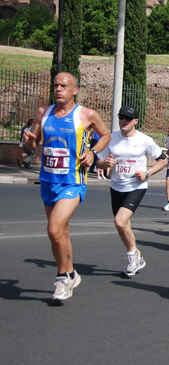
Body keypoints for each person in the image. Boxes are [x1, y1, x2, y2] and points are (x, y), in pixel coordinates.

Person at [23, 72, 110, 301]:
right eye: (55, 85)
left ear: (75, 90)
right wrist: (29, 141)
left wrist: (93, 152)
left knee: (54, 228)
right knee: (60, 233)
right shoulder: (44, 112)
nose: (58, 89)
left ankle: (62, 278)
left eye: (63, 85)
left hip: (73, 182)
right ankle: (71, 272)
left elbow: (106, 134)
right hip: (49, 181)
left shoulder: (86, 114)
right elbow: (34, 144)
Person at [96, 106, 168, 276]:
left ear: (135, 121)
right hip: (116, 186)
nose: (124, 121)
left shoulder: (145, 140)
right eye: (121, 117)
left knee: (120, 221)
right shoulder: (111, 138)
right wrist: (105, 164)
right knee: (124, 225)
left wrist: (147, 173)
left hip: (136, 187)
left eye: (128, 118)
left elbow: (163, 160)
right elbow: (98, 162)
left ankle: (131, 255)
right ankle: (136, 256)